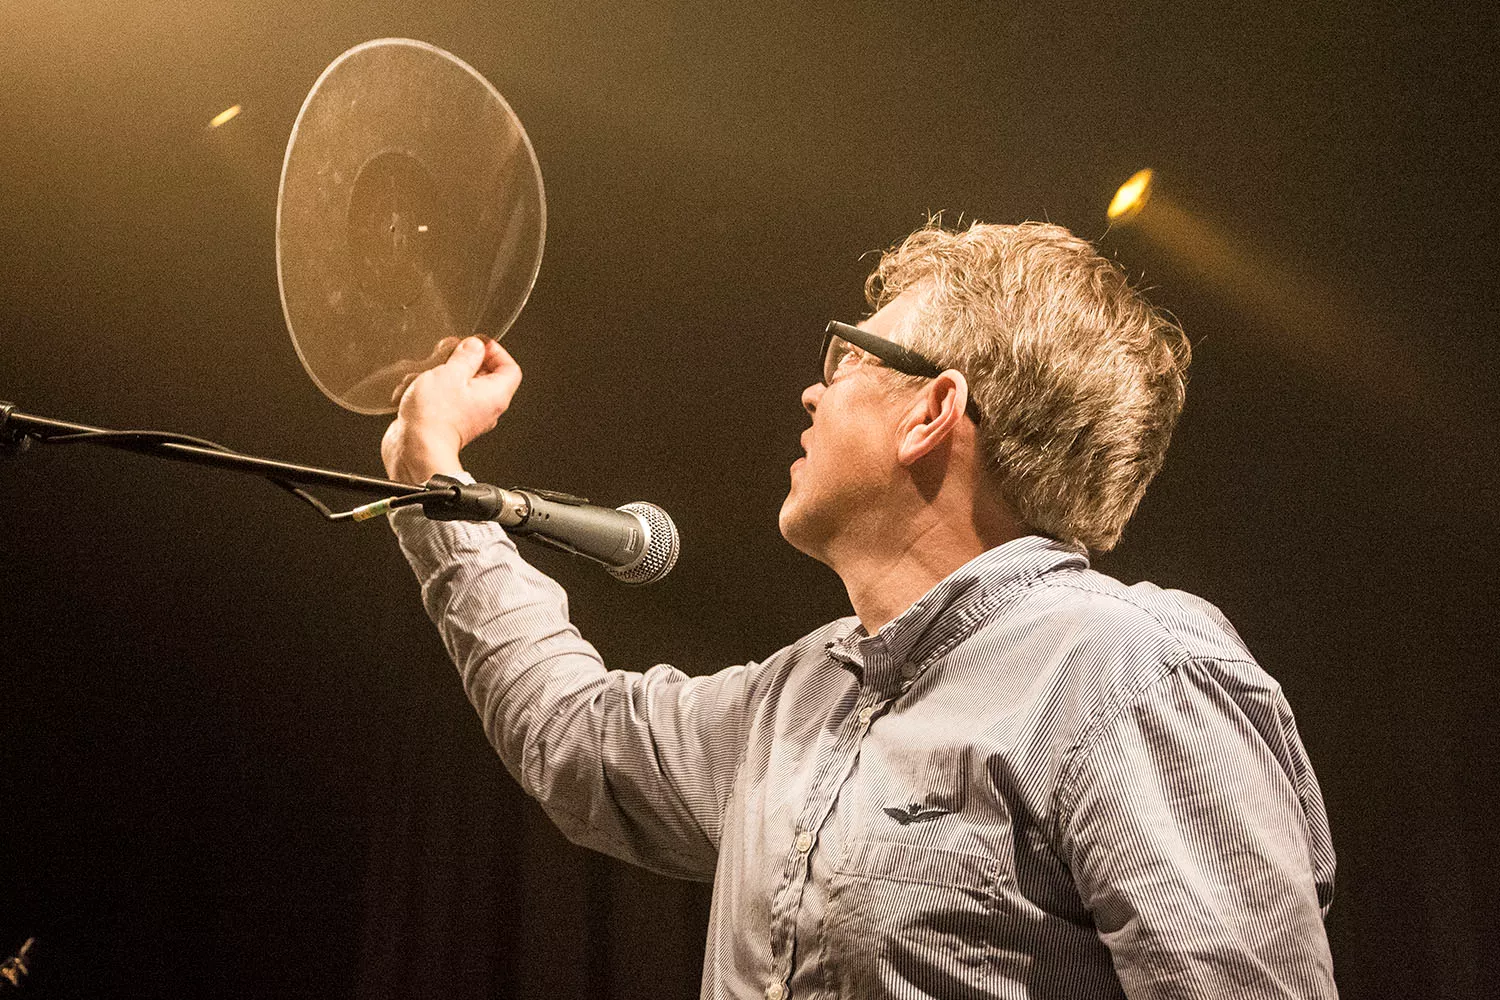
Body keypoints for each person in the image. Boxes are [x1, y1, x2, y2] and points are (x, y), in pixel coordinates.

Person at [380, 221, 1337, 1000]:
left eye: (845, 361)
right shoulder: (798, 699)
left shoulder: (1128, 674)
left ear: (931, 411)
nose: (812, 390)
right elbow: (575, 736)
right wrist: (433, 479)